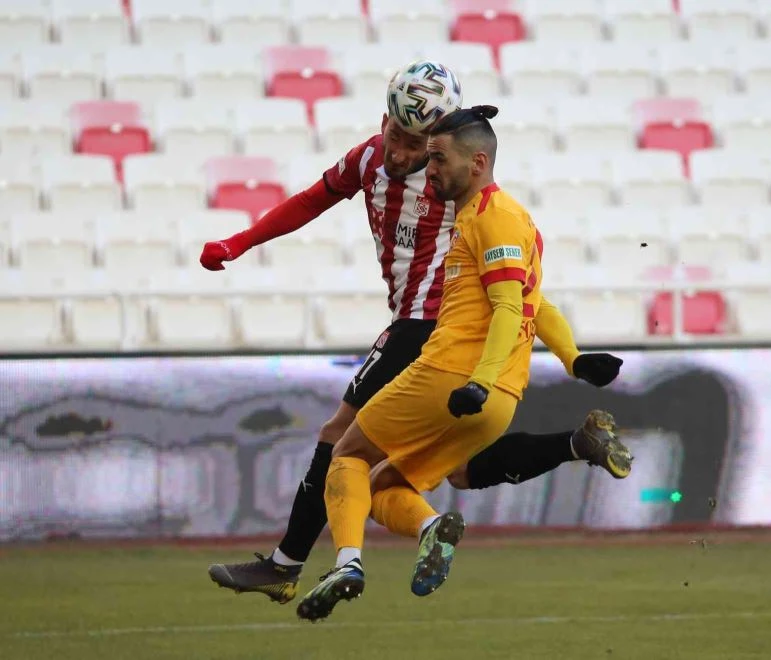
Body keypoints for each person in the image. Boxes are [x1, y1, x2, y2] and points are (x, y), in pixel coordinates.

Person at [201, 63, 632, 607]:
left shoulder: (456, 186)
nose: (402, 154)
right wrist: (240, 242)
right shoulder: (369, 159)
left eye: (418, 145)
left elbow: (512, 285)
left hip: (427, 327)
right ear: (384, 119)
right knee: (459, 470)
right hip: (438, 335)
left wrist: (562, 352)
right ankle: (574, 444)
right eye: (396, 136)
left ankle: (287, 565)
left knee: (341, 437)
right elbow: (311, 200)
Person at [296, 104, 574, 621]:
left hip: (452, 375)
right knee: (386, 487)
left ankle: (347, 563)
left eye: (439, 158)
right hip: (501, 400)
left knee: (346, 453)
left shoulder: (491, 219)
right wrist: (573, 359)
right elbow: (534, 301)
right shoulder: (503, 219)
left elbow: (509, 308)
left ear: (478, 162)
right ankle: (429, 526)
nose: (430, 168)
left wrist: (479, 381)